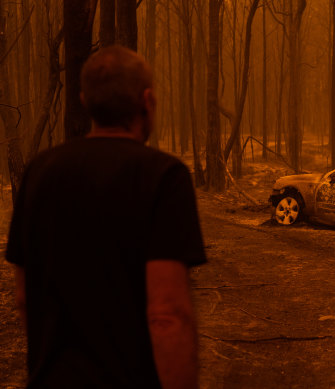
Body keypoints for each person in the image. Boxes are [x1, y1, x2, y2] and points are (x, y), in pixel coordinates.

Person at [6, 45, 206, 389]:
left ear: (85, 102)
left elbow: (24, 299)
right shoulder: (163, 176)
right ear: (147, 101)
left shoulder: (39, 172)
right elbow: (168, 314)